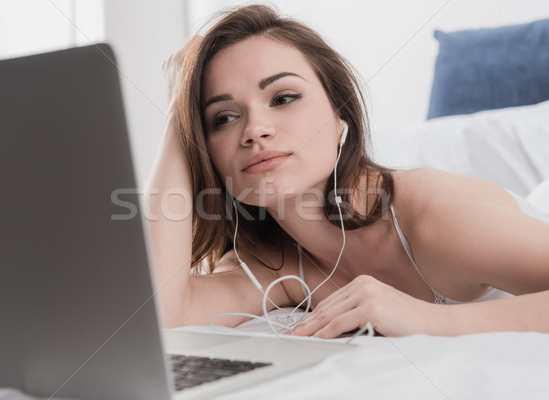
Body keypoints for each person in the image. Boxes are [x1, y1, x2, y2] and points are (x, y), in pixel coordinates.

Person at [147, 4, 549, 338]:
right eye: (223, 118)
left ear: (341, 118)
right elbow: (161, 317)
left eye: (283, 98)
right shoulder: (274, 263)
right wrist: (176, 114)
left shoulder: (433, 217)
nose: (254, 130)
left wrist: (427, 321)